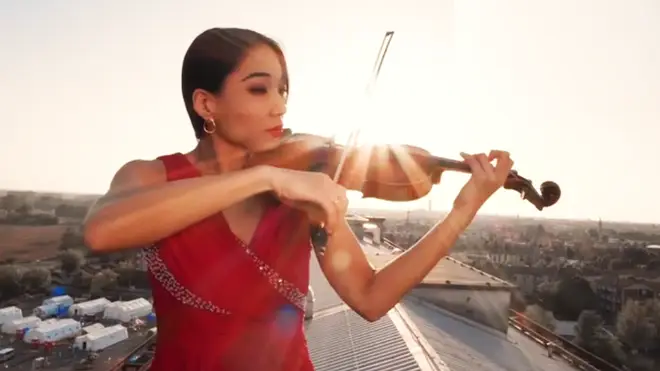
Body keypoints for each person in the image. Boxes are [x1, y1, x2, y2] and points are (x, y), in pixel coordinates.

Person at [83, 27, 514, 371]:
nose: (280, 108)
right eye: (259, 89)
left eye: (283, 90)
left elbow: (370, 297)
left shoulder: (304, 188)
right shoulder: (150, 176)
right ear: (205, 102)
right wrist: (261, 177)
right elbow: (102, 231)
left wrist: (462, 211)